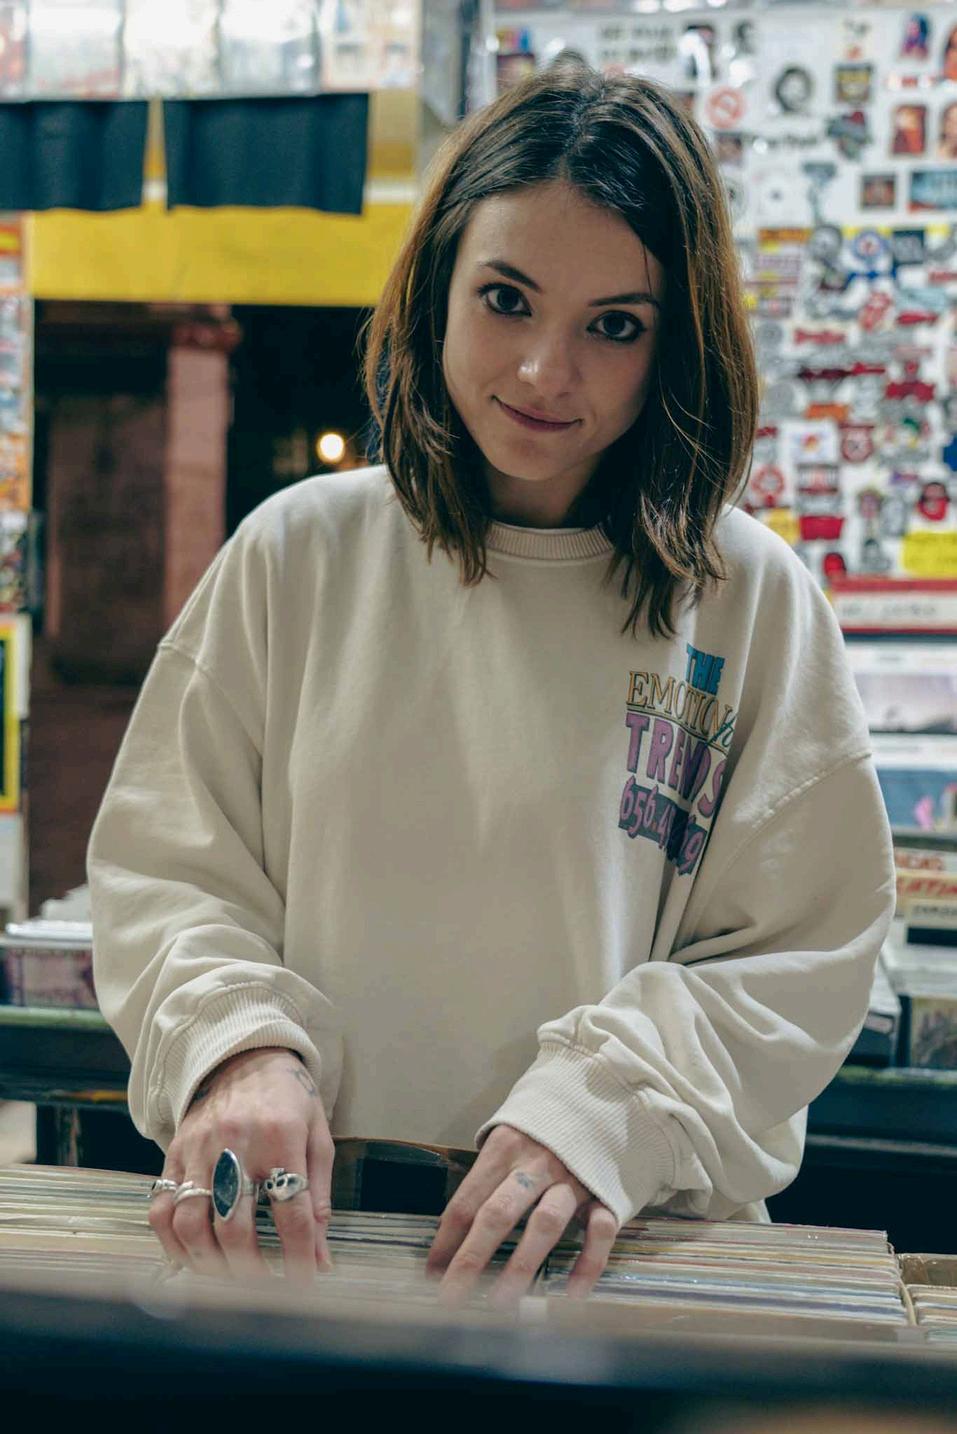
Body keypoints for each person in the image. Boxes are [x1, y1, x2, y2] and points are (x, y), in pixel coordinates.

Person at [87, 64, 895, 1307]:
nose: (541, 371)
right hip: (302, 1249)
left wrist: (603, 1110)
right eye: (505, 301)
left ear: (676, 344)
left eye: (613, 326)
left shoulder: (748, 601)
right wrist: (237, 1046)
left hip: (618, 1265)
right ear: (436, 291)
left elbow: (807, 949)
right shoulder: (299, 555)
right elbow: (169, 868)